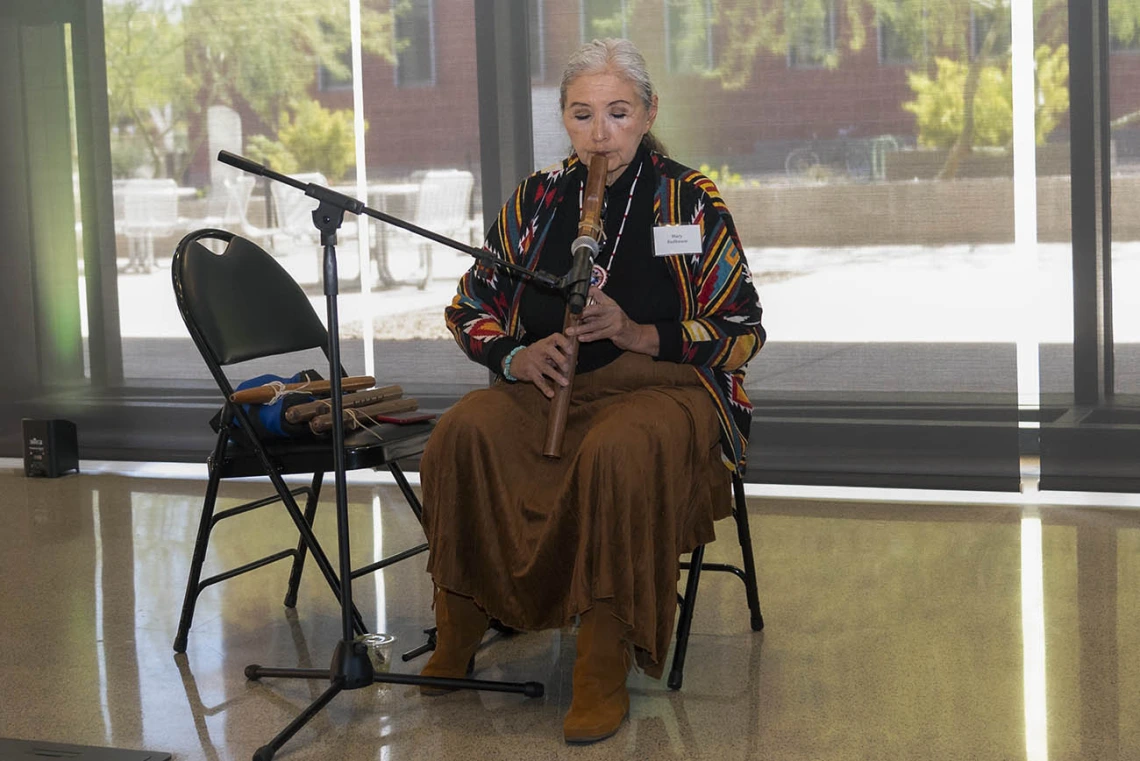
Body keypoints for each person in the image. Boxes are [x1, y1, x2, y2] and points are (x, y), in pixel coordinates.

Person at [418, 38, 765, 744]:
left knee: (616, 451)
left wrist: (641, 333)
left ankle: (601, 667)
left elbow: (744, 329)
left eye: (617, 113)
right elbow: (468, 306)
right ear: (565, 119)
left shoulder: (688, 201)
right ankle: (459, 628)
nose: (600, 135)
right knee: (464, 430)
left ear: (647, 113)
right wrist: (517, 356)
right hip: (553, 388)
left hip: (667, 389)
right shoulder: (540, 199)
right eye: (582, 116)